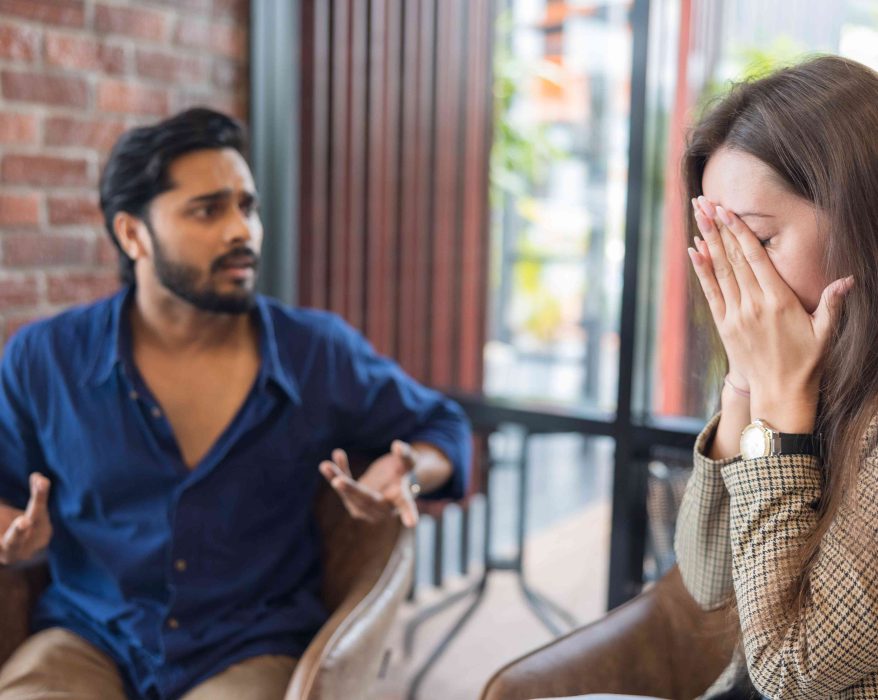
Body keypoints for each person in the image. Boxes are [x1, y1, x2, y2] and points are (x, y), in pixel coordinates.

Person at [0, 108, 471, 700]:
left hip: (250, 645)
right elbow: (6, 493)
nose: (241, 231)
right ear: (132, 234)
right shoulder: (44, 358)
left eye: (247, 207)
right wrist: (15, 539)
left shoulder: (315, 352)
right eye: (208, 210)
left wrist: (409, 473)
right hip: (88, 636)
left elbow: (443, 424)